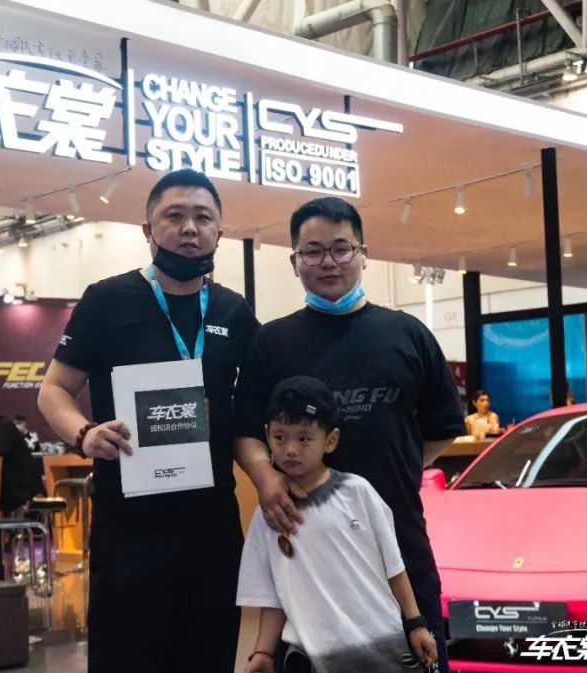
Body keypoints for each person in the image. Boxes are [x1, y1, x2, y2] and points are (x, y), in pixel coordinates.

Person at [37, 168, 260, 673]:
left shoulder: (234, 311)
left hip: (212, 526)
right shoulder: (107, 300)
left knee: (208, 657)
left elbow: (252, 412)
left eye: (203, 217)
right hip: (129, 527)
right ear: (148, 230)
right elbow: (54, 390)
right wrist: (84, 433)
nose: (189, 228)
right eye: (174, 215)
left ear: (219, 232)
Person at [234, 196, 464, 673]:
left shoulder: (408, 334)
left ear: (363, 254)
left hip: (399, 543)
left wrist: (396, 466)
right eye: (312, 251)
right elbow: (244, 430)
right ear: (294, 261)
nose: (328, 262)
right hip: (306, 554)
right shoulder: (270, 342)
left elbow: (442, 428)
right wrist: (266, 477)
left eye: (341, 248)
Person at [238, 376, 438, 673]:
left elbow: (394, 568)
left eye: (304, 438)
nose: (290, 449)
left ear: (330, 440)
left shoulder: (358, 492)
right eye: (280, 437)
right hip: (310, 656)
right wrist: (263, 652)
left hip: (383, 645)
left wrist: (416, 623)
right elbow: (272, 594)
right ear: (267, 436)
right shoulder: (270, 513)